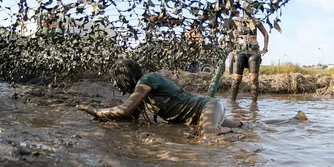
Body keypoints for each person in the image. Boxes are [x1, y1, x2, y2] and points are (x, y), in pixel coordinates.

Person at [77, 59, 238, 139]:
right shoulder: (141, 94)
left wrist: (97, 112)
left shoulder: (147, 80)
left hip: (205, 107)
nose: (116, 85)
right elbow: (129, 117)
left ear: (125, 77)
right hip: (197, 116)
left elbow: (125, 109)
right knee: (244, 129)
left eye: (117, 81)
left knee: (208, 139)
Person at [228, 4, 269, 102]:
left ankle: (254, 106)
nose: (250, 10)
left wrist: (265, 49)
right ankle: (232, 103)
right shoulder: (237, 21)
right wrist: (234, 38)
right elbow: (229, 32)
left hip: (254, 51)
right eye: (248, 8)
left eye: (252, 8)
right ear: (244, 9)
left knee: (253, 79)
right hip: (240, 51)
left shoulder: (257, 21)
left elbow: (266, 34)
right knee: (236, 79)